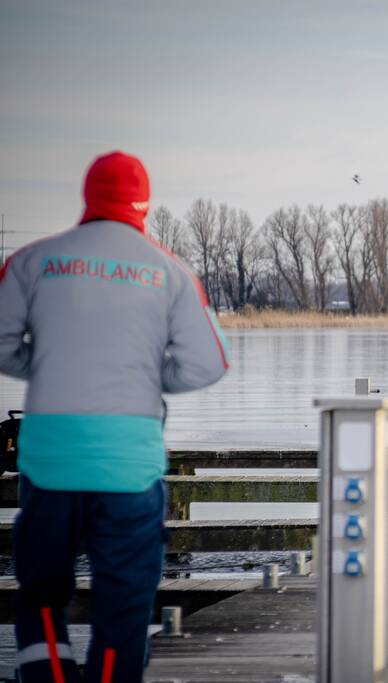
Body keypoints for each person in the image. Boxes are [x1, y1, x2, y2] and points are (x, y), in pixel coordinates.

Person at [0, 151, 229, 682]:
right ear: (144, 203)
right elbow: (209, 361)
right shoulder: (170, 271)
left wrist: (46, 363)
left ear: (88, 195)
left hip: (50, 461)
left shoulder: (34, 260)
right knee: (124, 604)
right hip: (129, 466)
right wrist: (148, 376)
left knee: (39, 595)